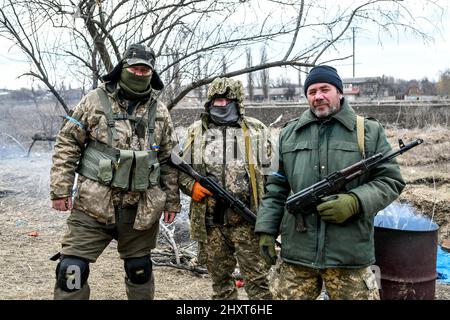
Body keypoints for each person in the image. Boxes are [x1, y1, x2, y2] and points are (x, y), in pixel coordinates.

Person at [255, 65, 405, 300]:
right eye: (312, 92)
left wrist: (355, 201)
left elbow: (390, 180)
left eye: (325, 89)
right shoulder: (288, 134)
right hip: (298, 254)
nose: (318, 97)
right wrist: (265, 229)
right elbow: (276, 187)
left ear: (340, 92)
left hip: (349, 255)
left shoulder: (368, 131)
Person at [50, 43, 181, 300]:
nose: (139, 74)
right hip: (92, 205)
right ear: (122, 68)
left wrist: (172, 201)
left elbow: (168, 159)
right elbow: (67, 143)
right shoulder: (93, 101)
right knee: (71, 270)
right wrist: (60, 188)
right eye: (135, 69)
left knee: (139, 270)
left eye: (145, 71)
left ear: (152, 74)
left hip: (141, 208)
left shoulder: (160, 111)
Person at [178, 77, 274, 300]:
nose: (220, 105)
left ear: (237, 101)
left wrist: (270, 218)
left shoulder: (257, 130)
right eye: (215, 101)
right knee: (220, 284)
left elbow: (274, 177)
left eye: (225, 101)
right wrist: (191, 187)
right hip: (211, 225)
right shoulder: (195, 132)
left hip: (248, 223)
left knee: (259, 285)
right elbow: (180, 170)